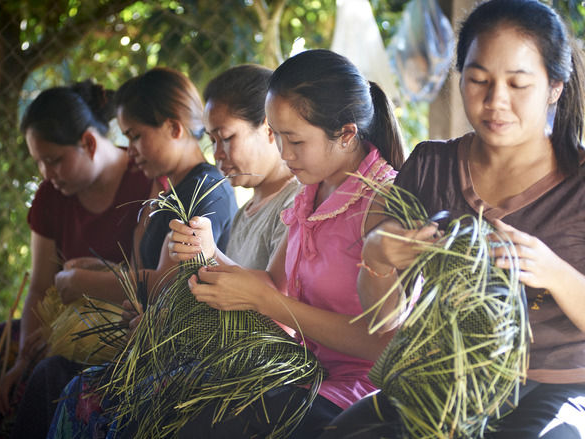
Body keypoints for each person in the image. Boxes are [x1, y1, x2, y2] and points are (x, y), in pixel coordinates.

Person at [324, 1, 585, 438]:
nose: (496, 101)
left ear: (554, 87)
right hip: (444, 383)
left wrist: (556, 273)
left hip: (562, 389)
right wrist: (379, 256)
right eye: (478, 80)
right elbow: (383, 316)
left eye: (518, 84)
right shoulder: (430, 166)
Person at [166, 49, 406, 438]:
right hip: (307, 374)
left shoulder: (384, 202)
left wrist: (268, 302)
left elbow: (385, 346)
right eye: (277, 137)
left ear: (346, 134)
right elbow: (271, 284)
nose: (283, 154)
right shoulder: (310, 194)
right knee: (183, 400)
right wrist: (207, 254)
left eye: (295, 140)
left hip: (364, 394)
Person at [0, 81, 151, 439]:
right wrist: (23, 357)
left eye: (54, 160)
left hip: (116, 334)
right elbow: (39, 285)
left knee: (44, 380)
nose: (46, 174)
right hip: (57, 327)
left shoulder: (144, 180)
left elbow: (150, 279)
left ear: (88, 142)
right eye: (39, 163)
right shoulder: (50, 196)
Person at [46, 67, 238, 438]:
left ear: (174, 127)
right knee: (52, 371)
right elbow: (146, 270)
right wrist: (104, 269)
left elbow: (169, 283)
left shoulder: (205, 192)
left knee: (61, 382)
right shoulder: (169, 189)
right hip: (147, 333)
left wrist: (85, 282)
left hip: (182, 346)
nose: (130, 149)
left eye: (136, 136)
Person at [174, 63, 299, 271]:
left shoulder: (294, 205)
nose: (217, 154)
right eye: (212, 141)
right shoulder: (245, 212)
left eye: (225, 138)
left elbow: (275, 296)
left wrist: (211, 252)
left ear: (270, 128)